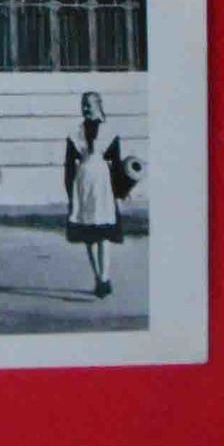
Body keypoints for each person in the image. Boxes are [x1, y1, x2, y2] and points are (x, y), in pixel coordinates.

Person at [65, 90, 131, 297]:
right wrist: (70, 194)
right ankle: (98, 277)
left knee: (103, 232)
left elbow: (118, 164)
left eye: (89, 104)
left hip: (103, 184)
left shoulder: (110, 131)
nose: (85, 108)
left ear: (99, 105)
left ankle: (105, 276)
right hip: (83, 183)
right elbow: (68, 166)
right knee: (89, 235)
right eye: (83, 104)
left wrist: (121, 192)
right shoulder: (75, 133)